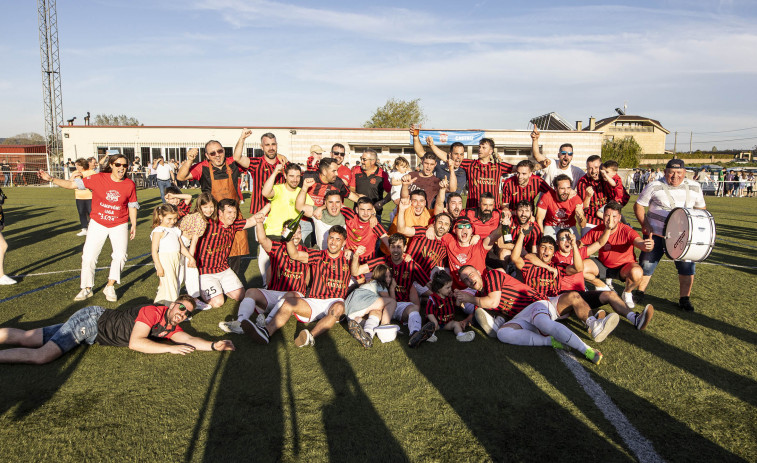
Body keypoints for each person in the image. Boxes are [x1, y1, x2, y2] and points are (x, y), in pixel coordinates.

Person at [0, 295, 234, 364]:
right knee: (42, 356)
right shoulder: (154, 312)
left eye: (187, 313)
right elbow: (136, 342)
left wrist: (214, 345)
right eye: (181, 307)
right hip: (92, 321)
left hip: (94, 331)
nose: (182, 313)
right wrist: (168, 350)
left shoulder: (170, 327)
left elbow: (190, 338)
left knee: (29, 338)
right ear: (173, 304)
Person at [455, 265, 605, 365]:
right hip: (521, 316)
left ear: (478, 272)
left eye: (471, 274)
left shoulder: (492, 275)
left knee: (543, 323)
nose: (470, 279)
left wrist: (468, 298)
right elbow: (487, 306)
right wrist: (465, 318)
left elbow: (493, 302)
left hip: (535, 303)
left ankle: (587, 349)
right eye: (465, 279)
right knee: (503, 334)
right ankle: (550, 341)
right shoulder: (481, 294)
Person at [38, 154, 138, 302]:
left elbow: (132, 205)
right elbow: (73, 185)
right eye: (118, 164)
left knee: (120, 256)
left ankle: (110, 286)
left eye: (124, 165)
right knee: (89, 256)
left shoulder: (129, 184)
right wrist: (51, 179)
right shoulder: (98, 178)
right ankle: (86, 288)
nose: (121, 168)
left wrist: (134, 223)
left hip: (119, 223)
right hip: (97, 223)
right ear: (111, 165)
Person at [243, 225, 355, 348]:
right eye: (331, 238)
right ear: (327, 239)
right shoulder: (318, 255)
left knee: (339, 307)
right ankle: (266, 332)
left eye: (338, 239)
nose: (333, 242)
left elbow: (359, 275)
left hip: (334, 302)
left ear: (344, 242)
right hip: (314, 301)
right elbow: (295, 255)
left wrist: (355, 255)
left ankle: (310, 336)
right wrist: (289, 238)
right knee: (289, 302)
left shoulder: (349, 259)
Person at [634, 159, 707, 311]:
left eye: (679, 173)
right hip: (657, 235)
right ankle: (639, 292)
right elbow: (639, 205)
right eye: (671, 173)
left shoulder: (695, 187)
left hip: (683, 237)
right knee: (647, 264)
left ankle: (684, 299)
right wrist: (645, 224)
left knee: (687, 268)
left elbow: (701, 209)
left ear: (684, 173)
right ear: (665, 172)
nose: (675, 176)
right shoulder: (654, 186)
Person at [545, 228, 654, 330]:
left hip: (581, 295)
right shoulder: (554, 257)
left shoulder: (578, 252)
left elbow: (600, 243)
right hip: (565, 297)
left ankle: (634, 318)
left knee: (610, 294)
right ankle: (594, 324)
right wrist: (547, 266)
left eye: (569, 238)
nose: (566, 241)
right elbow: (533, 256)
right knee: (576, 297)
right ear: (557, 242)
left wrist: (608, 228)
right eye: (562, 239)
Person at [219, 218, 308, 335]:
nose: (296, 235)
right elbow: (262, 240)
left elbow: (308, 279)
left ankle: (266, 322)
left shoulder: (307, 252)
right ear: (283, 233)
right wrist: (260, 222)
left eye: (298, 232)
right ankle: (240, 323)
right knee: (251, 292)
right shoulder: (277, 247)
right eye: (292, 232)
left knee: (291, 294)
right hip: (275, 293)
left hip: (294, 296)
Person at [354, 234, 430, 346]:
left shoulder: (411, 265)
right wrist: (356, 256)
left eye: (399, 247)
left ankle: (415, 334)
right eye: (393, 246)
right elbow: (356, 271)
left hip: (401, 306)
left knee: (414, 309)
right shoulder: (382, 261)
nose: (395, 250)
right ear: (389, 248)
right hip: (384, 303)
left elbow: (428, 283)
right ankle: (367, 335)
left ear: (404, 248)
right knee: (375, 311)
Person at [581, 201, 654, 309]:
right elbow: (581, 243)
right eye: (607, 215)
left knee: (637, 272)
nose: (610, 219)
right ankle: (602, 286)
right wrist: (572, 242)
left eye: (614, 216)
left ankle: (627, 292)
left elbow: (639, 242)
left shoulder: (626, 230)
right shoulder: (597, 230)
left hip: (623, 267)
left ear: (619, 217)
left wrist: (647, 245)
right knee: (579, 267)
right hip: (603, 265)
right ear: (603, 216)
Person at [195, 198, 257, 308]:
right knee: (218, 302)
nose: (233, 215)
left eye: (234, 212)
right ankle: (197, 290)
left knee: (241, 295)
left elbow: (253, 220)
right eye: (229, 212)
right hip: (205, 271)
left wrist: (271, 204)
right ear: (220, 212)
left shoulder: (233, 225)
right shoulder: (207, 224)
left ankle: (219, 287)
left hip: (223, 269)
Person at [394, 198, 452, 296]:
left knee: (440, 294)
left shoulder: (444, 247)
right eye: (440, 222)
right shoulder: (423, 232)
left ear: (449, 228)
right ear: (434, 224)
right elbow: (401, 229)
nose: (442, 226)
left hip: (422, 281)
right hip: (405, 274)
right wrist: (402, 210)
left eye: (446, 224)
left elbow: (440, 268)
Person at [258, 162, 302, 283]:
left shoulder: (301, 192)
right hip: (273, 233)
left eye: (298, 176)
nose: (295, 179)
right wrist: (275, 172)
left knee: (291, 268)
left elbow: (309, 209)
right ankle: (267, 287)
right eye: (292, 176)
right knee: (270, 266)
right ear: (285, 176)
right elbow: (265, 193)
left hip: (291, 236)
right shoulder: (278, 188)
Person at [150, 204, 196, 305]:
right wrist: (159, 267)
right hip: (165, 261)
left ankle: (158, 307)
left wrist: (190, 257)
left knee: (167, 287)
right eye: (169, 219)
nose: (173, 221)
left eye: (175, 218)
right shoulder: (158, 231)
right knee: (172, 286)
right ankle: (173, 309)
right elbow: (154, 251)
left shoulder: (175, 230)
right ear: (161, 217)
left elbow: (181, 247)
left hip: (176, 259)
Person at [343, 263, 396, 348]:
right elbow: (391, 302)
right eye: (386, 276)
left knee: (376, 312)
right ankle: (384, 327)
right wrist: (392, 288)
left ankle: (367, 334)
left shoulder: (370, 283)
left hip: (350, 311)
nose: (389, 279)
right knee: (392, 302)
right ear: (380, 276)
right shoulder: (379, 284)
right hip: (361, 301)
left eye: (390, 276)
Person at [425, 271, 475, 343]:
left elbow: (457, 304)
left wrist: (458, 297)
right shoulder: (433, 299)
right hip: (436, 322)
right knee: (430, 326)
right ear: (439, 288)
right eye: (447, 287)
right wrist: (434, 321)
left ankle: (461, 335)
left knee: (456, 324)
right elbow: (429, 312)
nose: (450, 289)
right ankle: (430, 335)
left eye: (450, 287)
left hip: (447, 322)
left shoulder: (449, 296)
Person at [536, 174, 586, 238]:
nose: (565, 191)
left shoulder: (575, 199)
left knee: (578, 246)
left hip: (569, 226)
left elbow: (582, 225)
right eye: (562, 188)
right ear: (555, 188)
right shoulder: (547, 196)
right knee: (547, 245)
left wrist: (581, 216)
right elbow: (539, 218)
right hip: (551, 225)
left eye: (568, 188)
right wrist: (542, 236)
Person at [350, 148, 391, 216]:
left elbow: (391, 192)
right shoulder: (356, 170)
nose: (362, 162)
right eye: (361, 158)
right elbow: (351, 189)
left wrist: (382, 202)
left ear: (373, 161)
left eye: (364, 159)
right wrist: (357, 196)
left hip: (374, 214)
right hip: (357, 213)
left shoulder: (382, 174)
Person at [576, 155, 612, 231]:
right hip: (590, 221)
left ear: (601, 167)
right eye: (590, 168)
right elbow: (583, 208)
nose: (593, 171)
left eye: (596, 167)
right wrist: (588, 197)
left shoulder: (608, 179)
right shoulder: (582, 182)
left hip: (607, 220)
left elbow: (619, 198)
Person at [73, 158, 96, 237]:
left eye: (77, 165)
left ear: (82, 166)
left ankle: (93, 229)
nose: (76, 167)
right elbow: (71, 183)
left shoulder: (91, 172)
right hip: (79, 196)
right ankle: (84, 229)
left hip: (90, 197)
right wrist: (74, 176)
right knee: (81, 213)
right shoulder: (75, 173)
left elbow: (92, 183)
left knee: (91, 213)